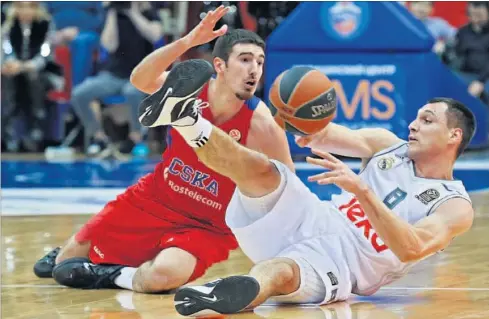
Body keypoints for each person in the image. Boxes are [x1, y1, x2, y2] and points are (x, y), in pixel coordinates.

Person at [140, 72, 475, 316]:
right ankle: (185, 117)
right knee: (262, 169)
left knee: (280, 272)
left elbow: (410, 247)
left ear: (453, 136)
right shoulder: (387, 145)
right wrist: (299, 117)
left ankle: (234, 290)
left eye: (427, 120)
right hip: (313, 216)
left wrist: (362, 190)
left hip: (344, 266)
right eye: (416, 118)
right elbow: (325, 133)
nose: (414, 125)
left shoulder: (455, 205)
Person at [33, 6, 294, 293]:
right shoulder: (191, 88)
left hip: (207, 226)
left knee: (162, 277)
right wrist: (186, 42)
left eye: (260, 61)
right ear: (220, 65)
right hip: (154, 199)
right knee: (66, 261)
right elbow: (139, 80)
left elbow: (288, 189)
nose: (254, 70)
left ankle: (110, 274)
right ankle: (78, 256)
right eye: (245, 60)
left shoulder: (262, 124)